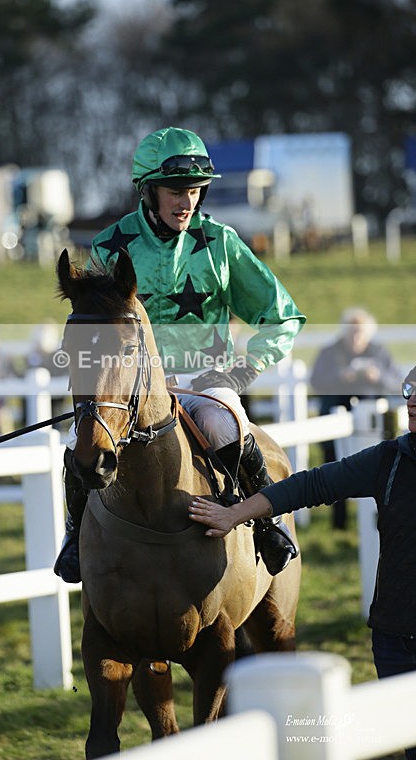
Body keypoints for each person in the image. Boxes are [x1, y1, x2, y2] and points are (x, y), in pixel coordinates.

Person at [54, 126, 306, 583]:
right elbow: (89, 327)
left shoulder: (221, 244)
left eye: (194, 190)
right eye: (175, 191)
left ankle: (267, 526)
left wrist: (242, 371)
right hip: (129, 390)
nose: (186, 201)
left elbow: (282, 316)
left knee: (222, 423)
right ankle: (75, 537)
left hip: (205, 384)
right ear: (148, 191)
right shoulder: (111, 246)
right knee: (77, 444)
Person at [188, 366, 416, 760]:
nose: (412, 400)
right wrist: (236, 513)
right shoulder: (391, 459)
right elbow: (311, 485)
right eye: (410, 390)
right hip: (396, 637)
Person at [311, 307, 401, 529]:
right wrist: (340, 376)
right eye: (352, 332)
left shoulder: (379, 352)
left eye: (360, 332)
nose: (355, 337)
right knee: (333, 468)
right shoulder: (330, 352)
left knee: (377, 469)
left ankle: (377, 519)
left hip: (373, 426)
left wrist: (377, 376)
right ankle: (338, 523)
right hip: (333, 421)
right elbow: (316, 381)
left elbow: (396, 382)